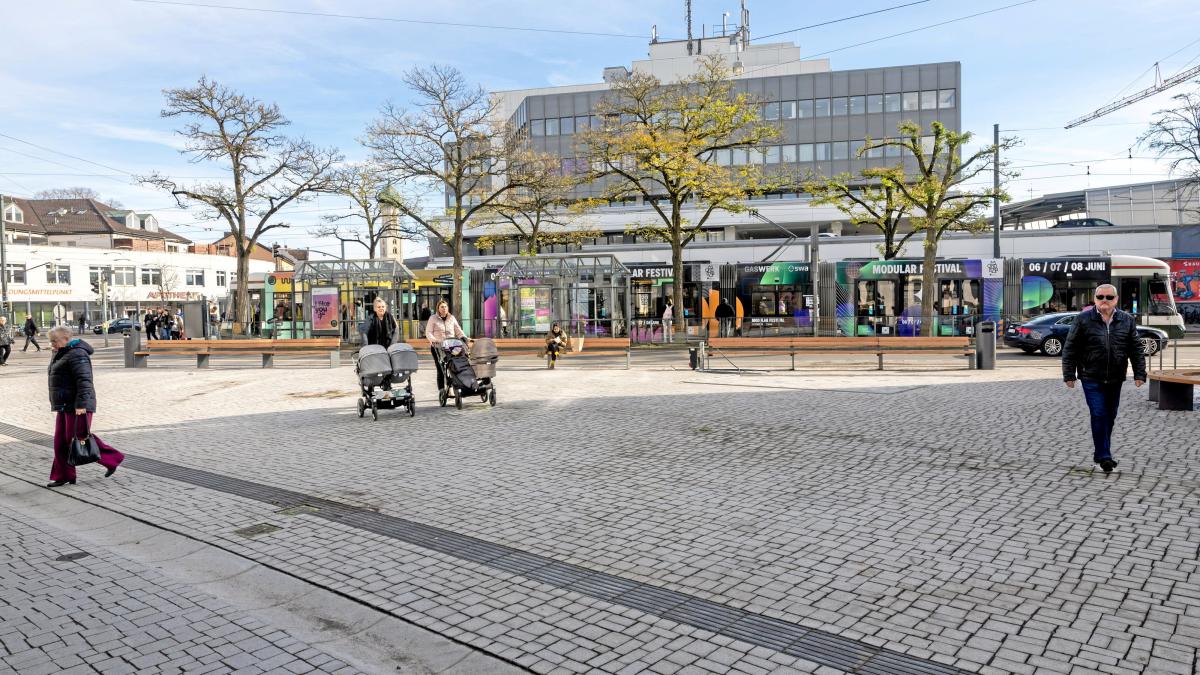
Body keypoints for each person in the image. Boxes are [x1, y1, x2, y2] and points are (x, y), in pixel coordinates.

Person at [1062, 284, 1147, 474]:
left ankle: (1100, 452)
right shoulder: (1083, 319)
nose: (1104, 301)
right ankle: (1105, 456)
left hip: (1116, 377)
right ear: (1095, 299)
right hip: (1091, 376)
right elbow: (1070, 348)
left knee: (1110, 415)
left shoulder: (1126, 320)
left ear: (1116, 300)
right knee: (1099, 413)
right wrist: (1069, 374)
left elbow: (1136, 348)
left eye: (1109, 297)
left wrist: (1140, 373)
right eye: (1100, 297)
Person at [45, 326, 124, 487]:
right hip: (64, 404)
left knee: (78, 437)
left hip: (78, 405)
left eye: (54, 341)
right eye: (51, 341)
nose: (52, 344)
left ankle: (112, 459)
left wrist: (81, 404)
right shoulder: (61, 352)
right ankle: (64, 475)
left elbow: (84, 381)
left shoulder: (77, 354)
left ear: (66, 338)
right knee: (60, 441)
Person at [425, 300, 468, 391]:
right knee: (440, 368)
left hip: (451, 347)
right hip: (438, 347)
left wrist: (463, 337)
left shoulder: (451, 318)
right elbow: (428, 332)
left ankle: (452, 387)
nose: (444, 308)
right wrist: (435, 340)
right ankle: (441, 389)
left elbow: (458, 330)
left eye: (445, 307)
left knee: (453, 366)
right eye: (442, 307)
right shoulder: (433, 318)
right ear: (438, 308)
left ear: (448, 308)